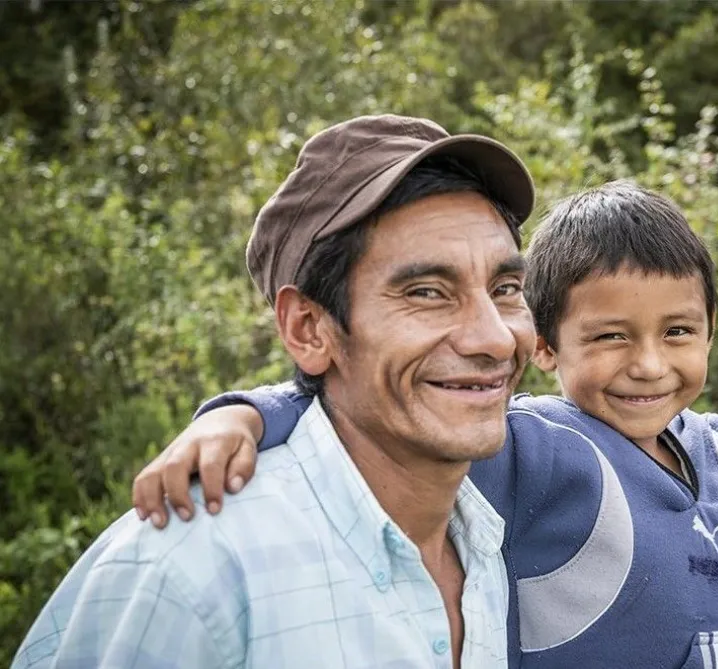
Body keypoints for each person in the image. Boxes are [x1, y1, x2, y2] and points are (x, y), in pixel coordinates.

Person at [131, 179, 718, 668]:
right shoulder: (540, 446)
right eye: (611, 336)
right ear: (543, 346)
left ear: (710, 332)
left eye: (678, 332)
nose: (648, 364)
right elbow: (373, 410)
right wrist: (245, 414)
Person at [13, 114, 541, 669]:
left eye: (506, 288)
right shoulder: (189, 566)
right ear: (309, 330)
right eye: (428, 292)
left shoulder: (495, 533)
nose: (494, 337)